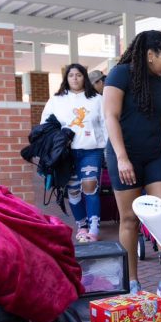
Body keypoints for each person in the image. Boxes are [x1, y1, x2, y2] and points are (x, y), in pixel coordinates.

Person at [103, 30, 161, 294]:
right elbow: (110, 117)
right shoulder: (121, 74)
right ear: (150, 55)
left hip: (154, 157)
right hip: (124, 155)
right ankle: (132, 282)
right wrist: (122, 158)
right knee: (129, 219)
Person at [40, 63, 107, 242]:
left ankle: (94, 228)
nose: (75, 78)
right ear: (66, 79)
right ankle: (82, 226)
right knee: (73, 191)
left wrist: (108, 148)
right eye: (71, 75)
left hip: (91, 151)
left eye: (78, 75)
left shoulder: (96, 99)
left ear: (84, 77)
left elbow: (106, 124)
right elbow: (45, 124)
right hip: (66, 154)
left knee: (90, 187)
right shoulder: (56, 99)